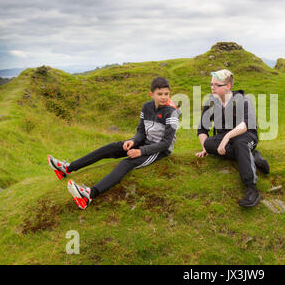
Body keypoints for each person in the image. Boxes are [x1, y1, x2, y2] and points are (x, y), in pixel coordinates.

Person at [47, 77, 181, 210]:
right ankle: (67, 168)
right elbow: (141, 131)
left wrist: (141, 151)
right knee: (111, 147)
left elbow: (166, 143)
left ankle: (89, 195)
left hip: (159, 150)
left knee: (126, 163)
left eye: (166, 94)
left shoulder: (171, 113)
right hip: (145, 142)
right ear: (151, 94)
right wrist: (132, 141)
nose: (164, 97)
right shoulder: (146, 107)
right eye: (160, 94)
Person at [196, 69, 270, 208]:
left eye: (217, 85)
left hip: (246, 135)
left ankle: (252, 189)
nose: (212, 87)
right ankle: (253, 157)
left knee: (240, 143)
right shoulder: (211, 102)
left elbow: (246, 124)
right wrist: (204, 147)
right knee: (209, 143)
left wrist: (228, 136)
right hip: (225, 138)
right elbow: (202, 129)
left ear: (228, 86)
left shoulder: (243, 100)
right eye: (211, 84)